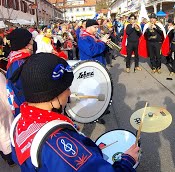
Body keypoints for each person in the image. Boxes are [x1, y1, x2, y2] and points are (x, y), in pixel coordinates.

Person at [10, 53, 140, 171]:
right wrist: (127, 161)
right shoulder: (58, 143)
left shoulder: (19, 122)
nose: (69, 92)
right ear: (53, 94)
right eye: (66, 88)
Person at [6, 28, 33, 117]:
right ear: (26, 45)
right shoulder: (25, 63)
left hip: (16, 105)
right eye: (31, 42)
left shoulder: (13, 58)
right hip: (26, 108)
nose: (33, 45)